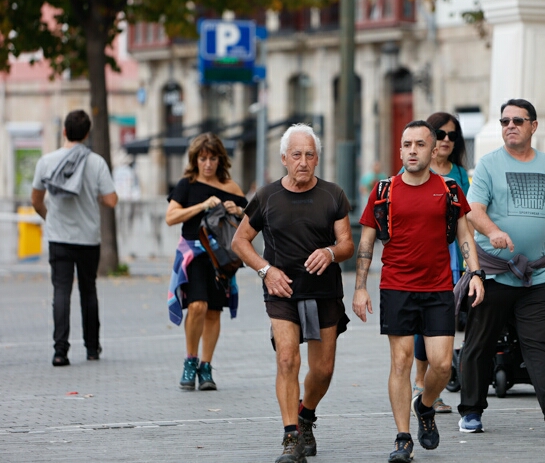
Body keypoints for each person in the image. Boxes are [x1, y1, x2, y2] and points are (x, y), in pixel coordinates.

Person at [354, 120, 485, 463]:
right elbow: (366, 242)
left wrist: (475, 273)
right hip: (396, 287)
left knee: (441, 365)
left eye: (420, 144)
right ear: (400, 150)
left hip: (438, 286)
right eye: (407, 144)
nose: (413, 150)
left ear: (433, 149)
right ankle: (402, 438)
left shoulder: (450, 189)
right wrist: (360, 289)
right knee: (400, 361)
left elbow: (464, 236)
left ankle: (424, 405)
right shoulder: (385, 191)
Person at [457, 98, 545, 437]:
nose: (510, 126)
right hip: (493, 273)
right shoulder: (488, 164)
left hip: (538, 274)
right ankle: (471, 410)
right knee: (480, 344)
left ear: (533, 126)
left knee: (540, 342)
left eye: (518, 120)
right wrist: (493, 231)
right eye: (504, 121)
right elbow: (473, 210)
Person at [231, 124, 354, 463]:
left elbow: (347, 244)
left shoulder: (333, 194)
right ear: (284, 158)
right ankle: (290, 437)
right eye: (296, 155)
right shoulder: (267, 196)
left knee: (323, 370)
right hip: (282, 290)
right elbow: (240, 241)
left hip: (324, 291)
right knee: (287, 359)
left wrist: (330, 253)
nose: (303, 161)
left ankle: (306, 414)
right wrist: (265, 270)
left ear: (317, 159)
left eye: (309, 155)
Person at [31, 109, 118, 367]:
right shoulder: (96, 162)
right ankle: (92, 348)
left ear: (65, 131)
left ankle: (60, 352)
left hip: (58, 238)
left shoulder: (47, 161)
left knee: (61, 292)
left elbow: (36, 200)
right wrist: (93, 195)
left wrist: (50, 218)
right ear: (87, 134)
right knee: (88, 291)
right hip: (88, 238)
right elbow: (111, 200)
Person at [165, 133, 247, 392]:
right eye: (203, 158)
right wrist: (201, 206)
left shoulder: (230, 186)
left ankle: (206, 366)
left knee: (213, 311)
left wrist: (239, 211)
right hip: (194, 254)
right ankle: (190, 360)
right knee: (197, 306)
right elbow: (171, 217)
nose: (208, 164)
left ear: (220, 160)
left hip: (222, 258)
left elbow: (252, 219)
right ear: (195, 159)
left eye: (212, 158)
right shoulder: (187, 184)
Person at [410, 112, 471, 414]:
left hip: (453, 260)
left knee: (442, 323)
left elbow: (466, 217)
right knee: (424, 322)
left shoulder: (459, 172)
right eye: (441, 134)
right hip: (421, 258)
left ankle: (432, 383)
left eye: (452, 135)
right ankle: (421, 382)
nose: (447, 140)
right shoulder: (414, 167)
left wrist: (473, 258)